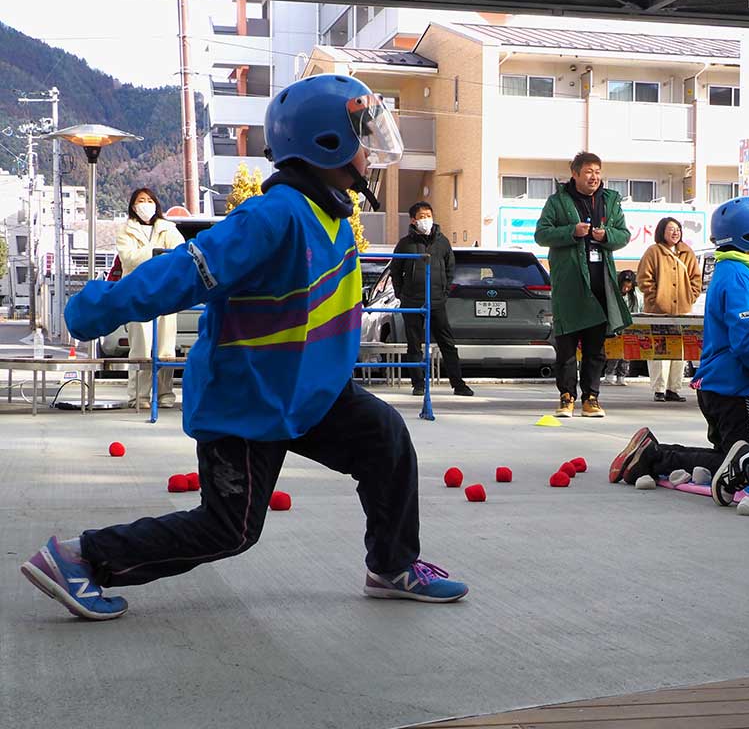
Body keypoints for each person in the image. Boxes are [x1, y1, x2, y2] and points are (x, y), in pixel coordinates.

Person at [20, 73, 468, 621]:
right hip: (248, 403)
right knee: (230, 529)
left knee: (386, 439)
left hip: (308, 394)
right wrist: (99, 306)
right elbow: (184, 272)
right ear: (327, 143)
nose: (371, 154)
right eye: (360, 135)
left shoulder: (330, 217)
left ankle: (392, 565)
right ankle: (82, 558)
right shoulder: (272, 216)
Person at [609, 197, 749, 508]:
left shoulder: (737, 271)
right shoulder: (738, 276)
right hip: (736, 387)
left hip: (723, 385)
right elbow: (745, 342)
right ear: (747, 235)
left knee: (729, 457)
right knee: (748, 462)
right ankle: (656, 455)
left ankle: (653, 453)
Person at [535, 151, 632, 419]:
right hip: (569, 284)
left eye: (598, 172)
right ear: (575, 174)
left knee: (595, 348)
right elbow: (541, 234)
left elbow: (624, 234)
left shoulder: (611, 200)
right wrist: (571, 232)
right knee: (566, 346)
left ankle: (592, 398)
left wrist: (607, 235)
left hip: (601, 280)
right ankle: (566, 396)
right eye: (588, 171)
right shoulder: (558, 201)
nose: (594, 177)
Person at [389, 202, 473, 397]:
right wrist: (401, 294)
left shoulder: (442, 242)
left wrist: (444, 293)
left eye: (428, 215)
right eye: (421, 216)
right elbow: (396, 271)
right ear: (413, 220)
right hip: (412, 301)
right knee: (414, 344)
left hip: (436, 300)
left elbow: (450, 268)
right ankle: (418, 384)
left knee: (447, 343)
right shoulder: (405, 243)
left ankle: (458, 384)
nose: (426, 219)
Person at [115, 187, 185, 409]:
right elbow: (128, 259)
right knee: (141, 348)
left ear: (156, 203)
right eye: (140, 201)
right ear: (133, 206)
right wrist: (156, 252)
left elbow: (178, 254)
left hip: (165, 292)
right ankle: (139, 395)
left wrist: (151, 255)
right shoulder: (126, 231)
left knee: (166, 348)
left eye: (149, 200)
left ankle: (165, 393)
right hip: (138, 294)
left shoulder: (168, 228)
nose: (145, 204)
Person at [637, 216, 702, 402]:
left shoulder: (687, 252)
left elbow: (696, 278)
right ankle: (659, 388)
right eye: (671, 229)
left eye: (678, 229)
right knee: (659, 349)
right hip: (658, 311)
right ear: (662, 232)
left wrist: (691, 296)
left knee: (680, 350)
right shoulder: (653, 252)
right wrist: (655, 298)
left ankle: (673, 388)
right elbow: (643, 279)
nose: (675, 232)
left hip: (683, 309)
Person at [603, 270, 641, 386]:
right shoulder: (614, 295)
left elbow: (637, 310)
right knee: (615, 353)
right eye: (624, 285)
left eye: (628, 286)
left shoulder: (635, 297)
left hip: (629, 328)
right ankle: (609, 374)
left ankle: (622, 375)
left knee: (626, 355)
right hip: (617, 327)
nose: (626, 288)